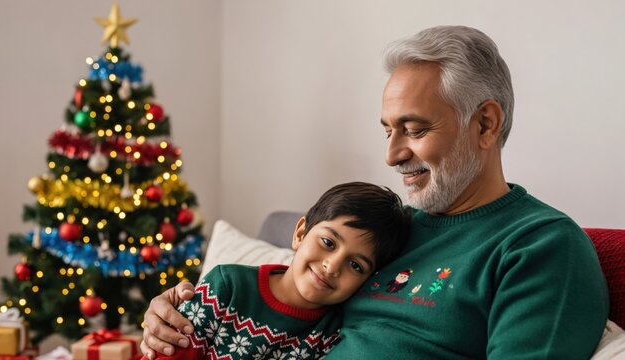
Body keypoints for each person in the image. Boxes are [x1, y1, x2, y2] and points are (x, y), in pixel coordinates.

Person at [141, 25, 609, 359]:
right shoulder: (391, 229)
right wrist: (177, 312)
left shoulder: (541, 246)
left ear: (485, 123)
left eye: (414, 129)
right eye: (387, 129)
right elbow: (291, 298)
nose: (392, 156)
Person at [144, 182, 409, 359]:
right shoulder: (227, 286)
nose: (332, 266)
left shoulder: (335, 331)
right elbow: (169, 350)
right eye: (328, 243)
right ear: (300, 233)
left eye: (355, 265)